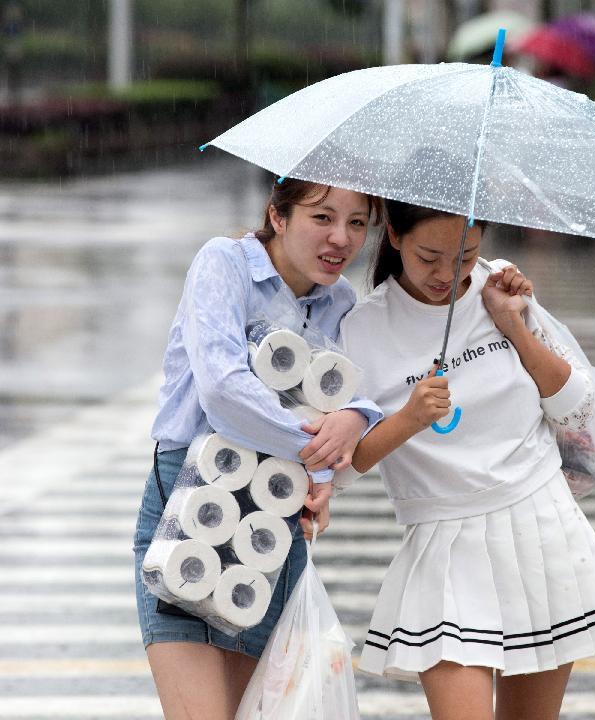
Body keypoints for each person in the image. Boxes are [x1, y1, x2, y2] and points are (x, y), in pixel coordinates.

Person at [339, 201, 595, 720]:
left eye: (465, 257)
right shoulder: (360, 330)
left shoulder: (500, 287)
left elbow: (576, 408)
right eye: (431, 256)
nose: (447, 276)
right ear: (395, 236)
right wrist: (407, 419)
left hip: (540, 528)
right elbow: (339, 466)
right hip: (444, 545)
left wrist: (513, 325)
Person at [133, 178, 383, 720]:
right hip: (190, 496)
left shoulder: (339, 300)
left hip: (276, 510)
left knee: (256, 712)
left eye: (358, 223)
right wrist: (317, 448)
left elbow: (343, 397)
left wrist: (356, 420)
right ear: (278, 215)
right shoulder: (224, 264)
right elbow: (223, 390)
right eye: (323, 217)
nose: (341, 237)